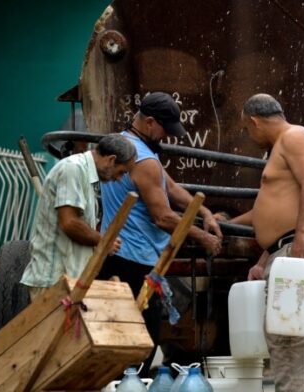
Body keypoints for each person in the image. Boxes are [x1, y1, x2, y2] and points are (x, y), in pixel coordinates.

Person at [98, 91, 223, 374]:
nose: (166, 136)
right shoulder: (144, 161)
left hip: (115, 256)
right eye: (165, 129)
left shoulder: (128, 146)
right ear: (150, 122)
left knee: (118, 339)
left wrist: (204, 213)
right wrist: (203, 237)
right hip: (136, 263)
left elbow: (173, 189)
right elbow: (163, 217)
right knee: (142, 344)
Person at [231, 93, 304, 392]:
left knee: (286, 337)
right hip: (288, 246)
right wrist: (266, 257)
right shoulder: (287, 143)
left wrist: (302, 234)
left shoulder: (294, 138)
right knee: (293, 337)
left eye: (247, 130)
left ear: (254, 121)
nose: (250, 137)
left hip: (298, 244)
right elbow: (276, 208)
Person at [20, 134, 137, 300]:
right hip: (54, 282)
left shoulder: (85, 175)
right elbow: (69, 223)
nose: (118, 179)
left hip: (69, 281)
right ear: (111, 160)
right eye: (121, 172)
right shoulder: (73, 169)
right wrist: (103, 241)